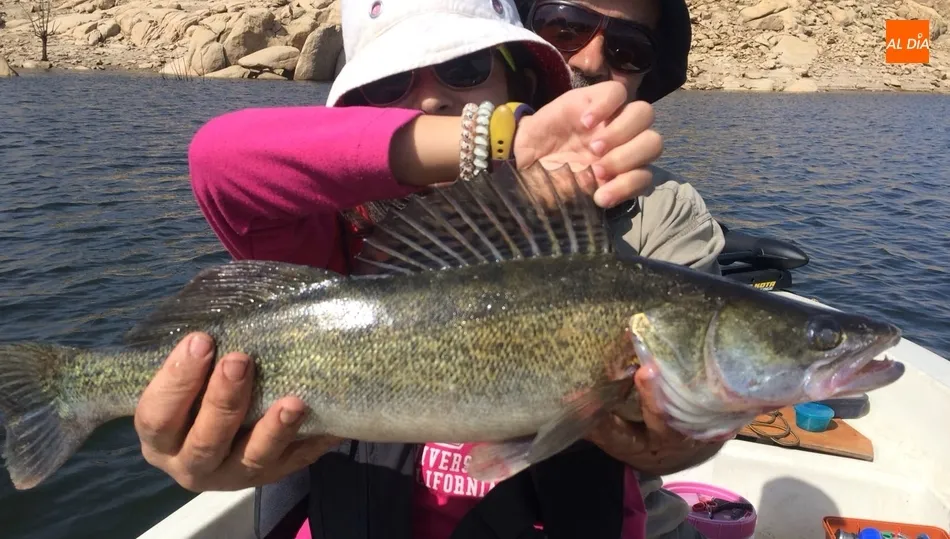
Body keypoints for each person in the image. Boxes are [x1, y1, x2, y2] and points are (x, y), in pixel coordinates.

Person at [132, 0, 725, 538]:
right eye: (389, 83)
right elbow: (221, 158)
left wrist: (675, 445)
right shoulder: (327, 237)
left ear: (517, 82)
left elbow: (685, 419)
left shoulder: (622, 229)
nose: (434, 99)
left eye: (465, 71)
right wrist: (494, 139)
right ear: (354, 119)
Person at [516, 1, 724, 537]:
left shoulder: (671, 210)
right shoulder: (399, 165)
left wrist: (679, 444)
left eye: (626, 49)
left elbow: (685, 426)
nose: (588, 58)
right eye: (565, 26)